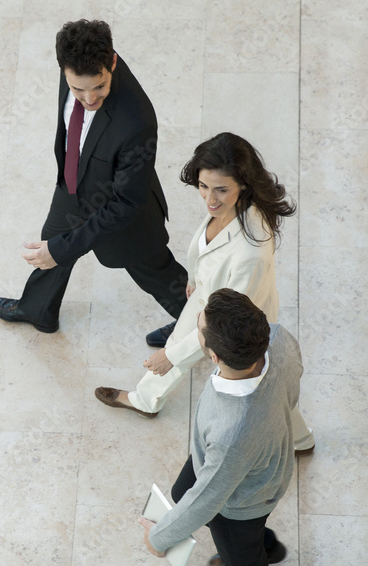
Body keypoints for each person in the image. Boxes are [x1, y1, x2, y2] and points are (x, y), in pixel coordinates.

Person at [94, 132, 314, 454]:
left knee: (263, 384)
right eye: (203, 186)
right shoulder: (231, 206)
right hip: (210, 297)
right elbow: (206, 243)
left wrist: (169, 358)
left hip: (237, 323)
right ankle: (145, 399)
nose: (209, 199)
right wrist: (196, 277)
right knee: (185, 345)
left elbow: (224, 324)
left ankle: (300, 440)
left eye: (221, 189)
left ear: (243, 184)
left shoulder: (249, 253)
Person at [0, 19, 187, 334]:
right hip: (74, 184)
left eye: (99, 87)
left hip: (124, 216)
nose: (89, 99)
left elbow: (126, 203)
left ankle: (203, 328)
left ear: (113, 62)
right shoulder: (76, 67)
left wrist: (63, 249)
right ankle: (38, 310)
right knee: (50, 245)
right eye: (78, 89)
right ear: (64, 69)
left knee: (159, 274)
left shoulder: (137, 121)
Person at [138, 288, 301, 566]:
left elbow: (209, 499)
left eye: (199, 329)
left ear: (212, 356)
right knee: (184, 492)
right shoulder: (279, 337)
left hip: (240, 501)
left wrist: (158, 539)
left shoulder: (232, 434)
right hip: (253, 462)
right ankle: (262, 546)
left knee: (237, 547)